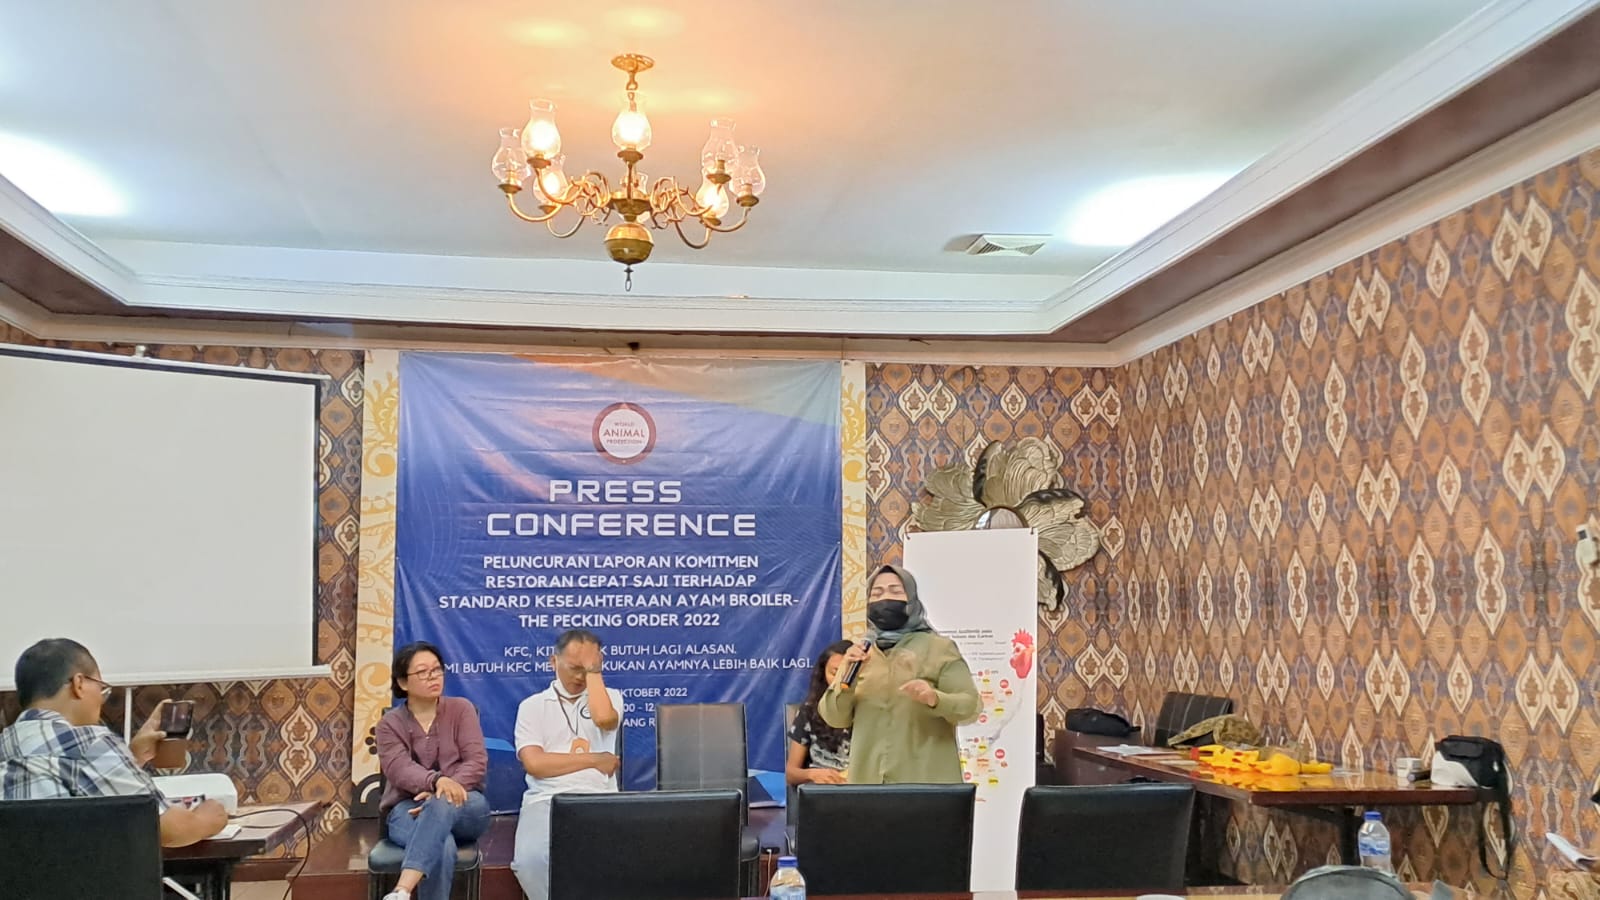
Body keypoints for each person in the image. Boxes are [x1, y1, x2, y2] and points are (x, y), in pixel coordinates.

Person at [0, 638, 228, 846]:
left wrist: (131, 757)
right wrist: (207, 817)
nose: (102, 701)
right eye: (102, 689)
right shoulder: (90, 743)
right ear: (79, 684)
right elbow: (169, 830)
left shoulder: (7, 745)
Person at [820, 565, 980, 783]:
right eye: (877, 593)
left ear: (912, 600)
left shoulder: (939, 649)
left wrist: (935, 698)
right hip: (868, 785)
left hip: (926, 784)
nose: (885, 598)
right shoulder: (861, 653)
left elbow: (969, 706)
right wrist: (847, 676)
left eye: (895, 591)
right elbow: (834, 717)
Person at [510, 629, 622, 900]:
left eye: (588, 668)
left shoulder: (610, 697)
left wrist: (593, 672)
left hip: (599, 799)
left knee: (612, 864)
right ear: (553, 661)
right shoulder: (532, 706)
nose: (580, 676)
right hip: (545, 799)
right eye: (574, 668)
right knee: (529, 862)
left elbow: (605, 720)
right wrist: (594, 759)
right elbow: (535, 764)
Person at [374, 641, 489, 900]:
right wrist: (437, 782)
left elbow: (476, 761)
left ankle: (402, 890)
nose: (433, 677)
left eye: (437, 670)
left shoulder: (461, 709)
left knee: (442, 802)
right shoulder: (389, 725)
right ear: (403, 682)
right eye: (423, 672)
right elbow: (399, 769)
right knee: (442, 845)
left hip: (466, 805)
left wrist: (444, 790)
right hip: (407, 810)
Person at [786, 639, 855, 785]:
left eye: (846, 674)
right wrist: (812, 774)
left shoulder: (871, 711)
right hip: (821, 790)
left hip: (861, 789)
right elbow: (791, 774)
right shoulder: (810, 710)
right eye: (834, 673)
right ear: (823, 674)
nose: (839, 681)